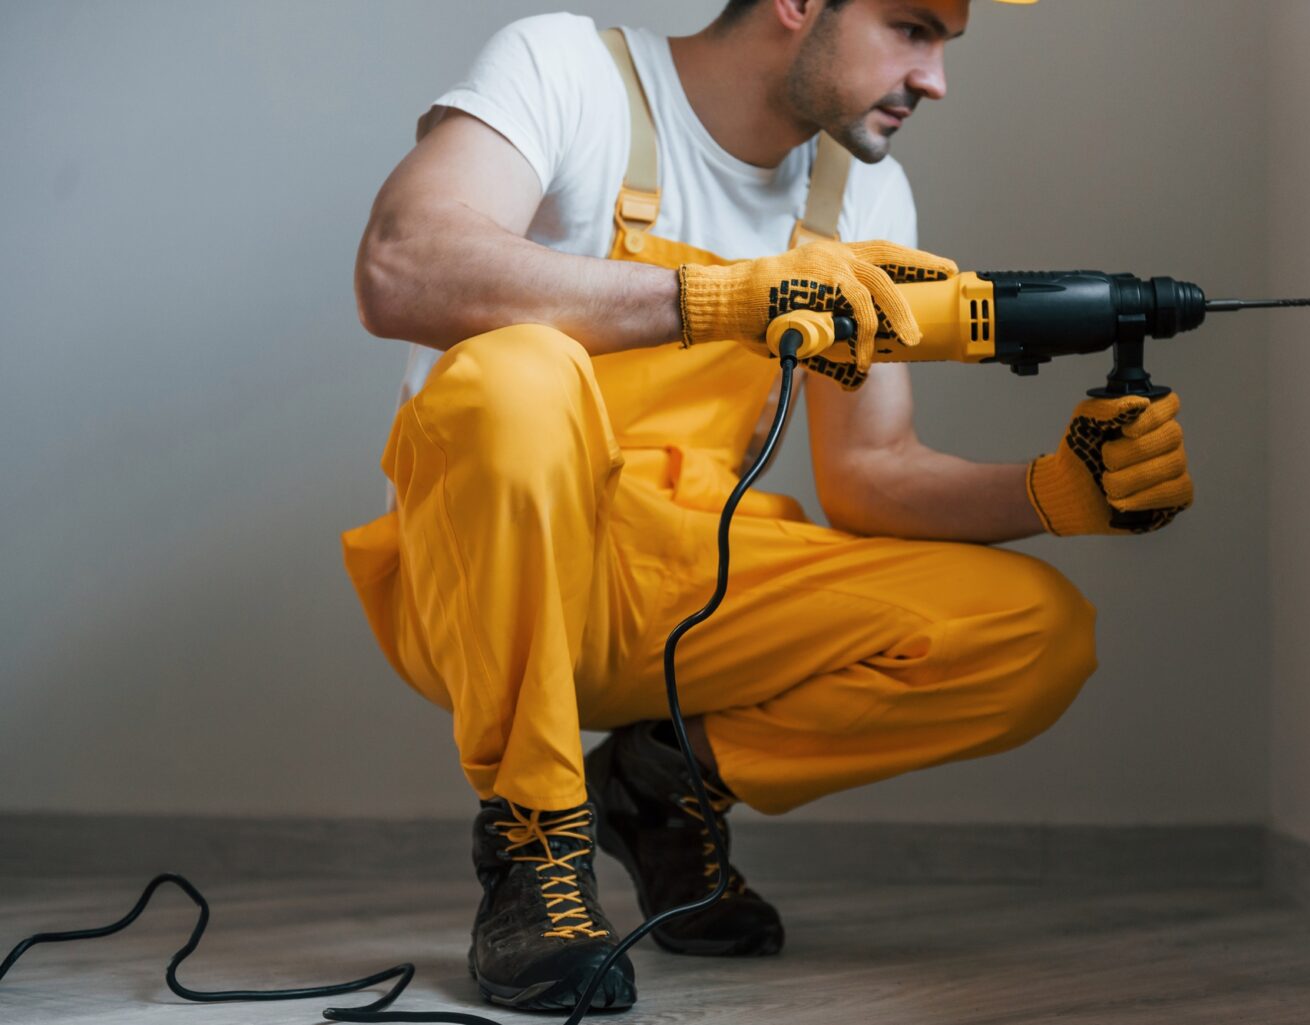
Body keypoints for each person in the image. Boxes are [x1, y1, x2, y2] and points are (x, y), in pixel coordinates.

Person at [341, 0, 1193, 1013]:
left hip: (683, 581)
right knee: (516, 375)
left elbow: (871, 473)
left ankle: (661, 782)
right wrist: (714, 299)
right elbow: (401, 262)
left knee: (1033, 630)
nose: (935, 79)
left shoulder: (862, 197)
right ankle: (534, 848)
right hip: (481, 580)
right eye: (912, 27)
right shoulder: (573, 71)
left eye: (945, 45)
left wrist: (1054, 492)